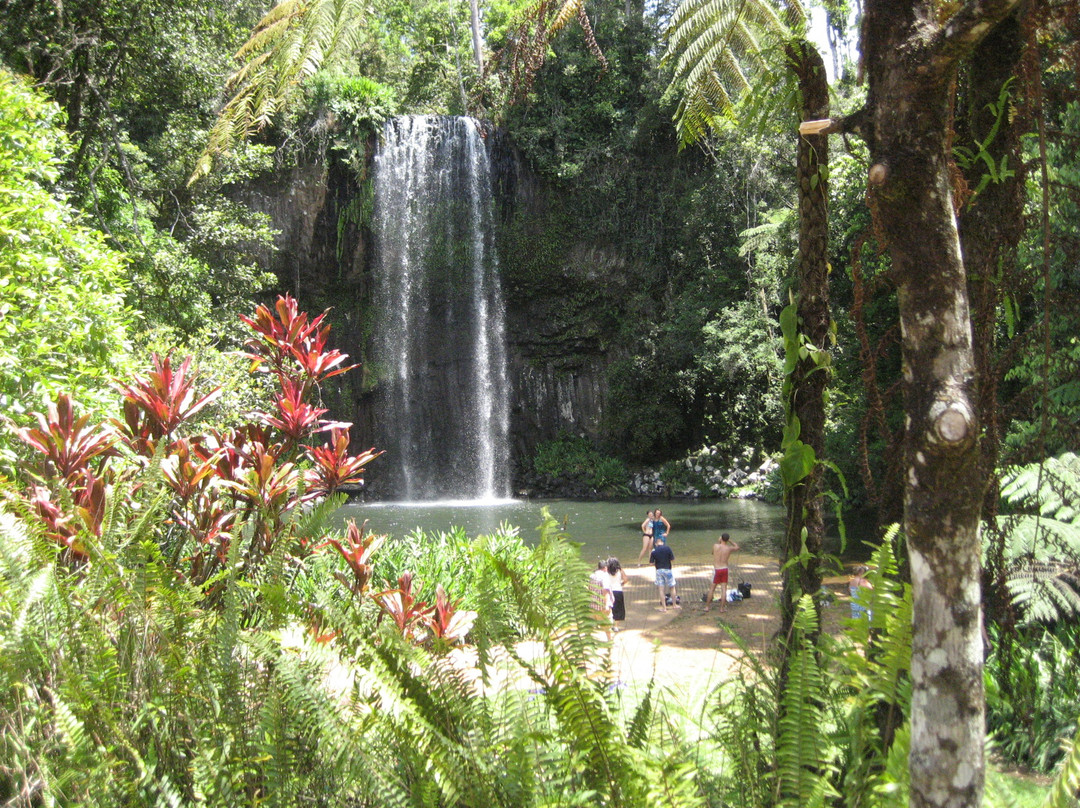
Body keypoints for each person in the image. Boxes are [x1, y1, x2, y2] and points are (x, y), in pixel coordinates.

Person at [704, 532, 741, 612]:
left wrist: (720, 541)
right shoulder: (729, 548)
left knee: (712, 589)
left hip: (717, 569)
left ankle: (707, 607)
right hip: (724, 569)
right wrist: (729, 540)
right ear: (727, 540)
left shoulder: (715, 546)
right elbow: (737, 547)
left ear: (721, 538)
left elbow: (712, 553)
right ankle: (722, 608)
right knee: (724, 589)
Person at [649, 536, 678, 612]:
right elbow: (673, 559)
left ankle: (664, 608)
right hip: (668, 570)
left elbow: (651, 563)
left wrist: (657, 562)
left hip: (659, 571)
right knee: (672, 587)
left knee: (661, 589)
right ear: (663, 542)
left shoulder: (654, 551)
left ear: (655, 543)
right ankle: (674, 605)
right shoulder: (667, 548)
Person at [606, 557, 629, 631]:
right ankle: (615, 626)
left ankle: (609, 624)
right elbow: (626, 579)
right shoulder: (620, 570)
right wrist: (621, 584)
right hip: (618, 591)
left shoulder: (607, 571)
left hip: (609, 591)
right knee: (618, 609)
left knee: (610, 608)